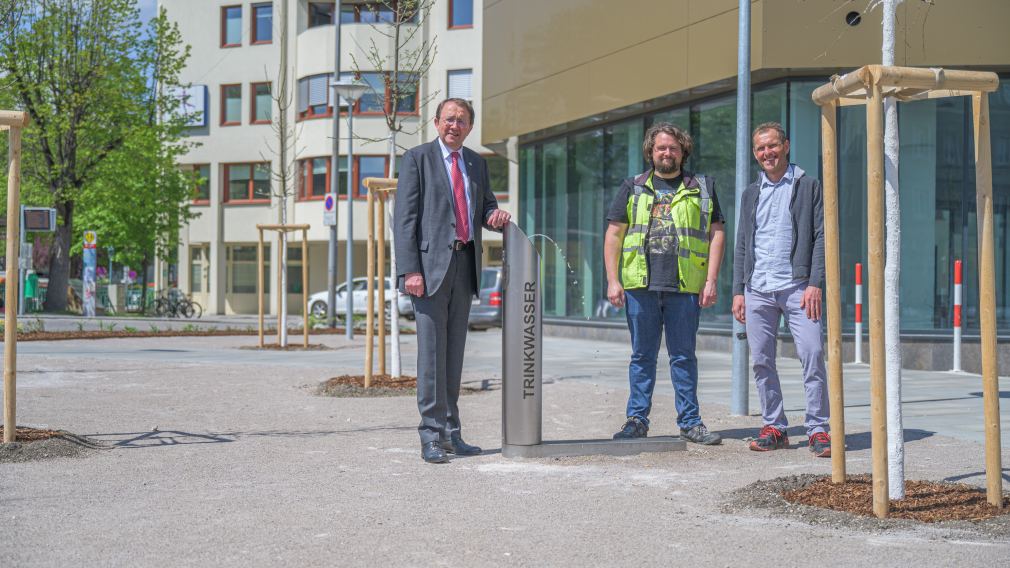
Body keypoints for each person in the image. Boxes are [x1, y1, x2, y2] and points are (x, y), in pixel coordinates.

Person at [393, 98, 511, 464]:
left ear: (469, 127)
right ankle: (430, 435)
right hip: (428, 272)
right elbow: (404, 219)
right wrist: (409, 270)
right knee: (431, 355)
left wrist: (494, 214)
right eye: (448, 119)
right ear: (436, 122)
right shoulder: (417, 159)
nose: (454, 126)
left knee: (454, 356)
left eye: (461, 121)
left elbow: (485, 205)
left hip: (464, 266)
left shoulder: (476, 163)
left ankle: (451, 432)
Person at [603, 122, 726, 445]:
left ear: (683, 150)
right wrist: (612, 280)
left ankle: (690, 422)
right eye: (661, 148)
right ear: (651, 151)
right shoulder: (632, 187)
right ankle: (636, 419)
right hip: (639, 286)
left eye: (672, 147)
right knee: (641, 356)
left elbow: (716, 234)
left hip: (685, 287)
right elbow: (614, 234)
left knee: (683, 356)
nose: (666, 153)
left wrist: (711, 279)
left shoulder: (703, 187)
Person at [731, 122, 830, 457]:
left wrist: (815, 283)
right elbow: (742, 244)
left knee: (812, 353)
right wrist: (738, 290)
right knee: (761, 360)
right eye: (760, 148)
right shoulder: (750, 193)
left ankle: (818, 428)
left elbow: (821, 239)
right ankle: (775, 426)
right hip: (757, 286)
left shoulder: (808, 186)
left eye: (772, 146)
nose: (766, 153)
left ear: (785, 146)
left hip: (798, 286)